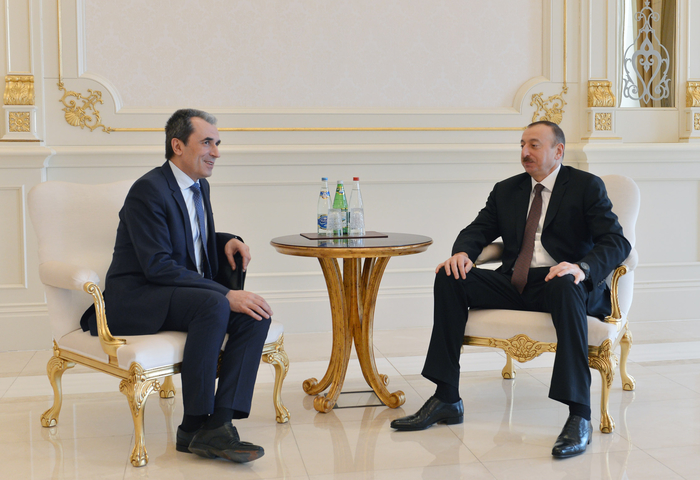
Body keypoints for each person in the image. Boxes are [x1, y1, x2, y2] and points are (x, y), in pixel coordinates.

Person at [390, 121, 631, 459]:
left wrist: (582, 268)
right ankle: (446, 397)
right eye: (522, 145)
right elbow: (478, 229)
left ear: (558, 151)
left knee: (564, 284)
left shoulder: (585, 186)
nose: (524, 152)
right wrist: (463, 253)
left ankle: (579, 416)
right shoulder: (507, 190)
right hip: (517, 282)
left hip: (565, 284)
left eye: (534, 145)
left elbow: (616, 241)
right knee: (449, 276)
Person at [80, 108, 273, 463]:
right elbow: (157, 264)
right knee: (215, 303)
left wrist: (226, 240)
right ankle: (193, 424)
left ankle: (219, 423)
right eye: (207, 142)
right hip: (138, 296)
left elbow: (186, 237)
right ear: (178, 145)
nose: (216, 152)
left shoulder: (199, 186)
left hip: (176, 292)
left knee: (256, 313)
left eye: (217, 143)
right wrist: (226, 293)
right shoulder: (148, 190)